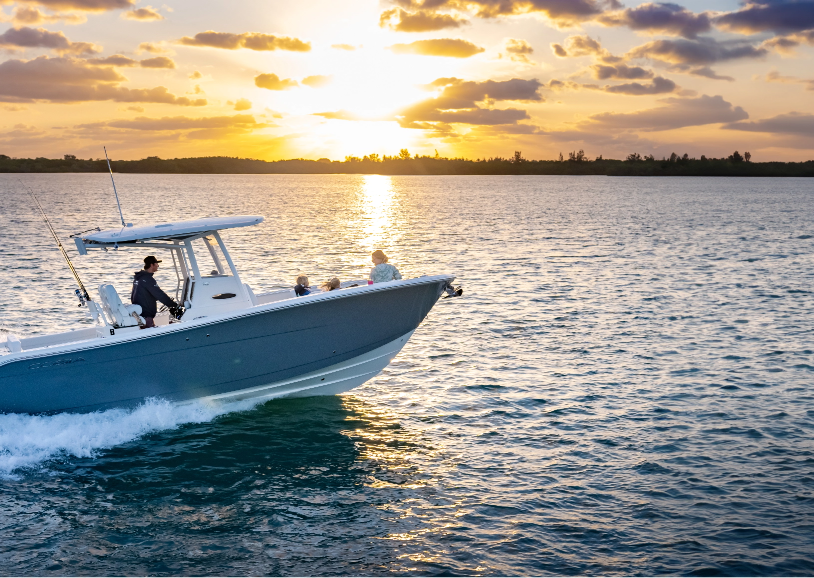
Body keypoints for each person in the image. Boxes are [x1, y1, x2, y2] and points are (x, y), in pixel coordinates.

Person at [131, 256, 179, 328]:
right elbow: (159, 294)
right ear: (151, 265)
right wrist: (173, 305)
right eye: (156, 264)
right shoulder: (147, 279)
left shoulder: (139, 278)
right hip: (146, 315)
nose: (158, 266)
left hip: (141, 314)